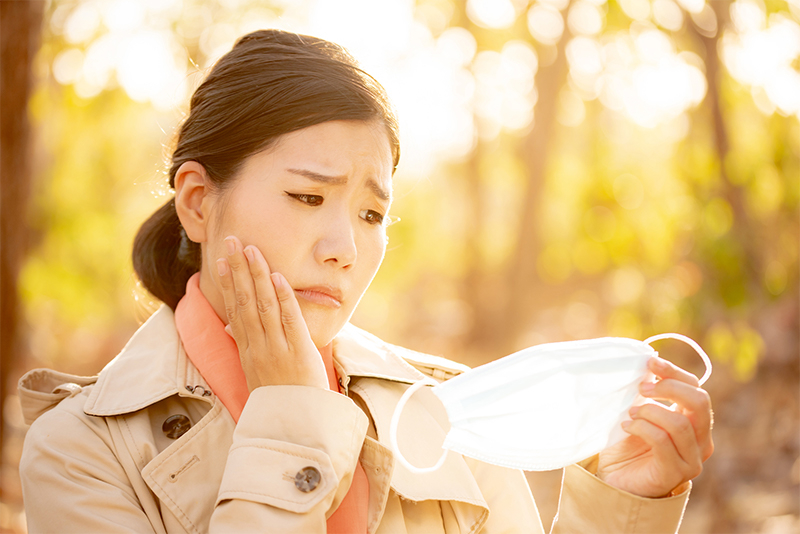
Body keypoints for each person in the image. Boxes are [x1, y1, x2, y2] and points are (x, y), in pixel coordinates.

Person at [18, 29, 713, 533]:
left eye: (372, 212)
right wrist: (290, 421)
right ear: (198, 202)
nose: (345, 248)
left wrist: (621, 509)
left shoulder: (447, 412)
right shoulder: (80, 452)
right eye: (307, 198)